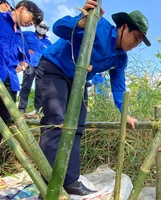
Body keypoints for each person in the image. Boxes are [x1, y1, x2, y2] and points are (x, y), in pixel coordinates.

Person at [35, 0, 150, 196]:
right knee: (57, 123)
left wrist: (126, 114)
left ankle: (70, 180)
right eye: (135, 37)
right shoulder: (99, 24)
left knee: (78, 127)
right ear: (123, 27)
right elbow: (59, 27)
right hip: (55, 69)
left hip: (79, 81)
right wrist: (81, 22)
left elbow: (119, 87)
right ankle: (48, 182)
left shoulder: (121, 58)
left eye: (139, 42)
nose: (135, 43)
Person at [0, 0, 43, 142]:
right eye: (32, 19)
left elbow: (25, 57)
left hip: (10, 82)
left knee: (4, 119)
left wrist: (22, 65)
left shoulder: (22, 36)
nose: (32, 23)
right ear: (22, 8)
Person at [18, 21, 52, 114]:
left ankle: (39, 110)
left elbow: (50, 54)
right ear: (36, 26)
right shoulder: (28, 35)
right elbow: (17, 40)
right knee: (26, 86)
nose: (42, 29)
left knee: (40, 88)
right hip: (30, 64)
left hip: (42, 67)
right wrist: (25, 50)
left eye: (45, 28)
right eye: (41, 26)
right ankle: (21, 109)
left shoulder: (48, 42)